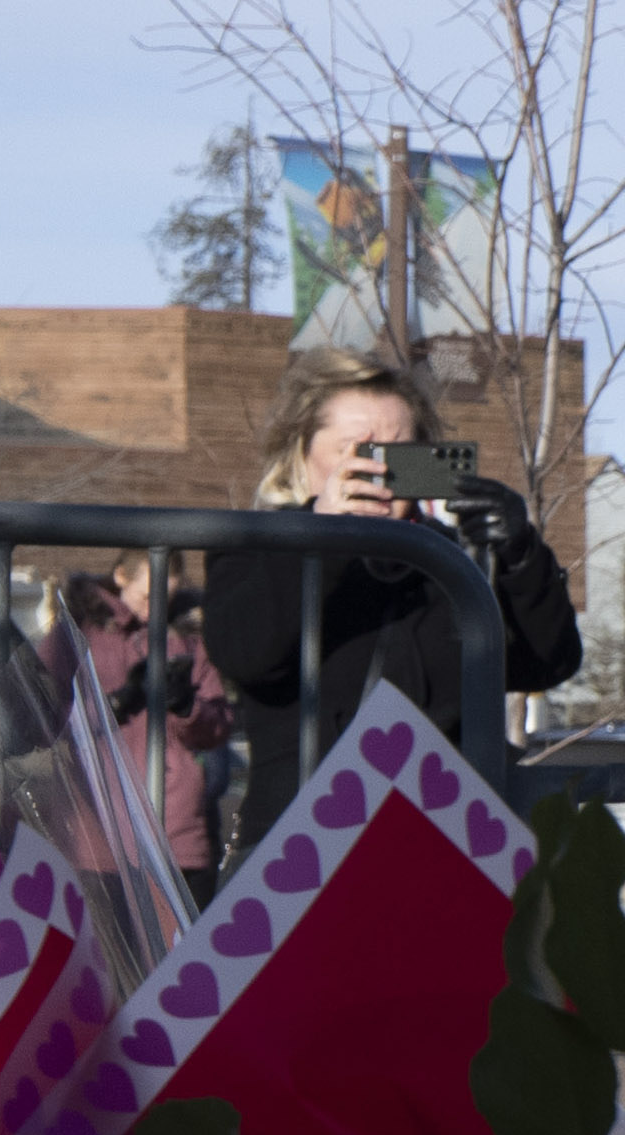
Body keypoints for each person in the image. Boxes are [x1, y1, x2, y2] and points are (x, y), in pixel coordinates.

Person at [204, 357, 583, 862]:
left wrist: (520, 555)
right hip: (302, 852)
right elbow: (246, 654)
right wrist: (323, 537)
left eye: (398, 454)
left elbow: (546, 662)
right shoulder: (259, 548)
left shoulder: (455, 561)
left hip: (444, 845)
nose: (378, 471)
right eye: (357, 451)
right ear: (301, 454)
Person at [65, 563, 235, 890]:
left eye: (166, 599)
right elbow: (48, 714)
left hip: (177, 830)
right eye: (146, 597)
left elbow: (218, 728)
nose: (154, 609)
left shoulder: (187, 639)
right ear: (121, 576)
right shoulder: (82, 632)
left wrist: (186, 706)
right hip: (100, 827)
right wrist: (114, 704)